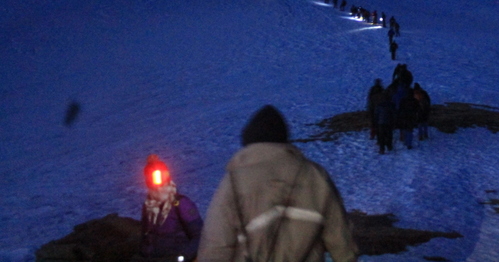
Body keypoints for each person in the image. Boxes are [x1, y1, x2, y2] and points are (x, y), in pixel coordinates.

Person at [198, 105, 358, 262]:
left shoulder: (234, 182)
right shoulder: (314, 175)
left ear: (248, 139)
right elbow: (339, 234)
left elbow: (217, 242)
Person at [137, 154, 203, 262]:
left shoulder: (181, 204)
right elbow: (146, 235)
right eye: (149, 177)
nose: (156, 184)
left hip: (174, 258)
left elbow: (199, 235)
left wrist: (182, 257)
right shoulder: (148, 206)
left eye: (158, 176)